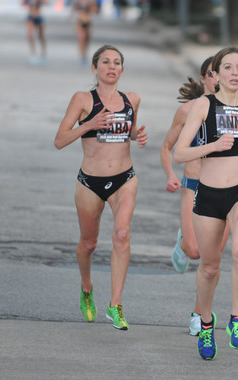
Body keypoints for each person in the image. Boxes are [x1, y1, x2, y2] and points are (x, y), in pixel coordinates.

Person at [174, 47, 238, 360]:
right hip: (208, 195)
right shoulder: (204, 105)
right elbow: (179, 152)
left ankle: (237, 320)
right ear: (215, 75)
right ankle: (206, 325)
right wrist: (214, 146)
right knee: (209, 266)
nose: (235, 73)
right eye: (228, 67)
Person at [161, 56, 238, 336]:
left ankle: (202, 315)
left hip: (234, 190)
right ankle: (183, 240)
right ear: (208, 77)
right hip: (193, 184)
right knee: (196, 253)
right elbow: (170, 148)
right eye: (216, 72)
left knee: (221, 257)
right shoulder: (191, 110)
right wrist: (172, 173)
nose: (228, 75)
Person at [54, 45, 147, 331]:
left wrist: (136, 134)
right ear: (95, 68)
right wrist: (89, 124)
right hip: (90, 182)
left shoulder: (132, 99)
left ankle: (115, 304)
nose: (111, 66)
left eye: (117, 62)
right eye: (105, 62)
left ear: (121, 69)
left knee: (121, 234)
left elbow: (126, 130)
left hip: (124, 178)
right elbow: (59, 140)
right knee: (89, 244)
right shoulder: (83, 99)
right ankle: (86, 288)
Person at [72, 0, 96, 67]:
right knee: (81, 38)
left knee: (87, 40)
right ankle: (82, 56)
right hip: (80, 21)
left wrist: (89, 7)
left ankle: (85, 54)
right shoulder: (77, 1)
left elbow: (94, 10)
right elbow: (73, 9)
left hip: (88, 21)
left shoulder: (91, 1)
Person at [24, 0, 47, 65]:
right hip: (31, 17)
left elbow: (46, 3)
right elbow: (24, 4)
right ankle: (33, 54)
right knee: (30, 36)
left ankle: (43, 54)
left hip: (39, 16)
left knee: (41, 36)